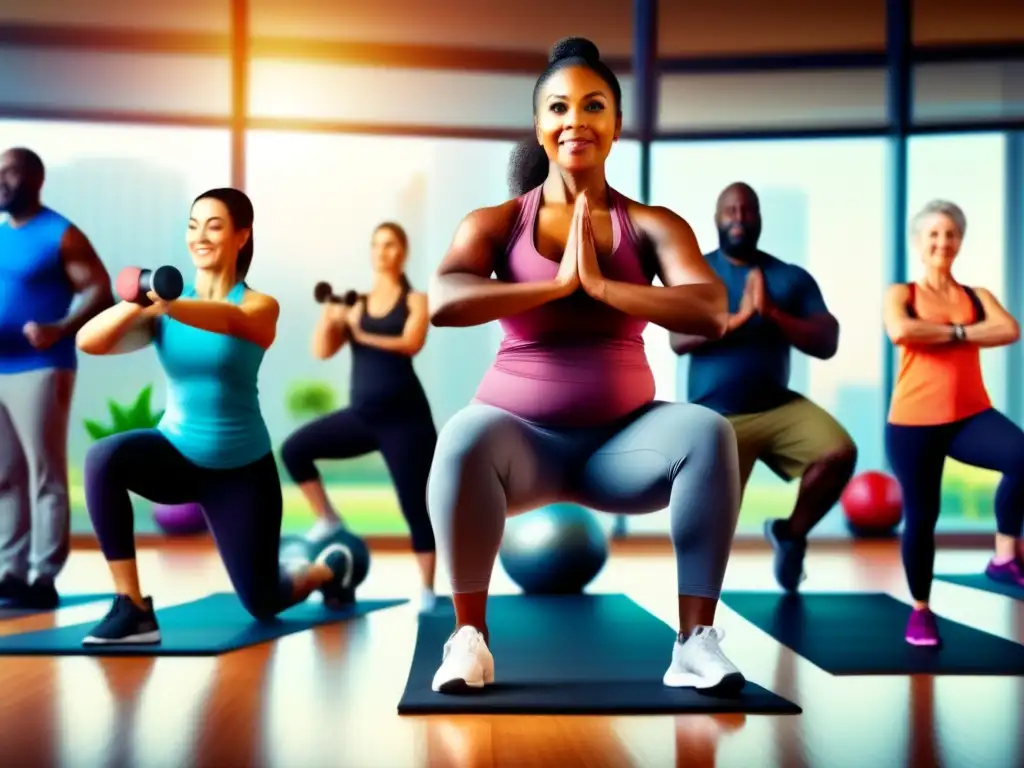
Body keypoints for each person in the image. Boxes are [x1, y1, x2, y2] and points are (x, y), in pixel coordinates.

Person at [426, 37, 745, 696]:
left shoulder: (652, 225)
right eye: (559, 107)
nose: (577, 120)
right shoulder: (495, 223)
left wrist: (603, 289)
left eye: (594, 105)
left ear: (617, 124)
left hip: (623, 446)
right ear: (541, 127)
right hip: (521, 446)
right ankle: (469, 641)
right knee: (460, 435)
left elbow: (710, 309)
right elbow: (445, 299)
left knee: (710, 432)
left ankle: (693, 644)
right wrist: (552, 286)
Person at [74, 188, 353, 645]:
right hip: (177, 454)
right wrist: (134, 302)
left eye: (214, 225)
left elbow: (230, 321)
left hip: (241, 471)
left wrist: (167, 303)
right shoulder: (164, 305)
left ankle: (327, 568)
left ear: (242, 236)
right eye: (192, 224)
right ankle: (132, 608)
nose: (199, 235)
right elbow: (90, 342)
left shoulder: (259, 305)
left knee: (264, 603)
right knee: (104, 457)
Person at [670, 182, 857, 593]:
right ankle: (696, 632)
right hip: (716, 420)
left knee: (838, 452)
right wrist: (736, 319)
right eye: (729, 210)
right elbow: (678, 340)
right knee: (713, 532)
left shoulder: (787, 277)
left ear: (758, 219)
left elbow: (828, 341)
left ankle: (791, 534)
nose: (738, 217)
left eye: (746, 210)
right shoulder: (697, 274)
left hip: (777, 407)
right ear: (717, 219)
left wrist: (771, 313)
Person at [884, 199, 1023, 647]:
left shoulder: (976, 296)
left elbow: (1009, 330)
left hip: (970, 415)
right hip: (913, 422)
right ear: (920, 244)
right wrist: (965, 332)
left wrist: (942, 332)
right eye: (934, 234)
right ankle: (920, 611)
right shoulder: (901, 294)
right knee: (923, 517)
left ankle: (1004, 556)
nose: (943, 242)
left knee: (1022, 456)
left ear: (959, 241)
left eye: (951, 234)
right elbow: (901, 331)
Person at [280, 222, 438, 612]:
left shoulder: (415, 299)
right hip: (363, 416)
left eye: (390, 245)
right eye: (376, 245)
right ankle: (329, 519)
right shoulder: (356, 304)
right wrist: (332, 319)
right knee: (295, 450)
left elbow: (410, 343)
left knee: (416, 507)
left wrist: (359, 331)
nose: (382, 252)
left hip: (406, 421)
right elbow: (321, 351)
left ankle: (429, 592)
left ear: (403, 252)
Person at [0, 147, 113, 609]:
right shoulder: (3, 234)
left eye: (9, 173)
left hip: (42, 366)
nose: (1, 181)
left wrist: (60, 328)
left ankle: (44, 576)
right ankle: (10, 570)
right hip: (1, 364)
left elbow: (99, 288)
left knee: (45, 472)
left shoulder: (61, 233)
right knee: (4, 475)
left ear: (35, 179)